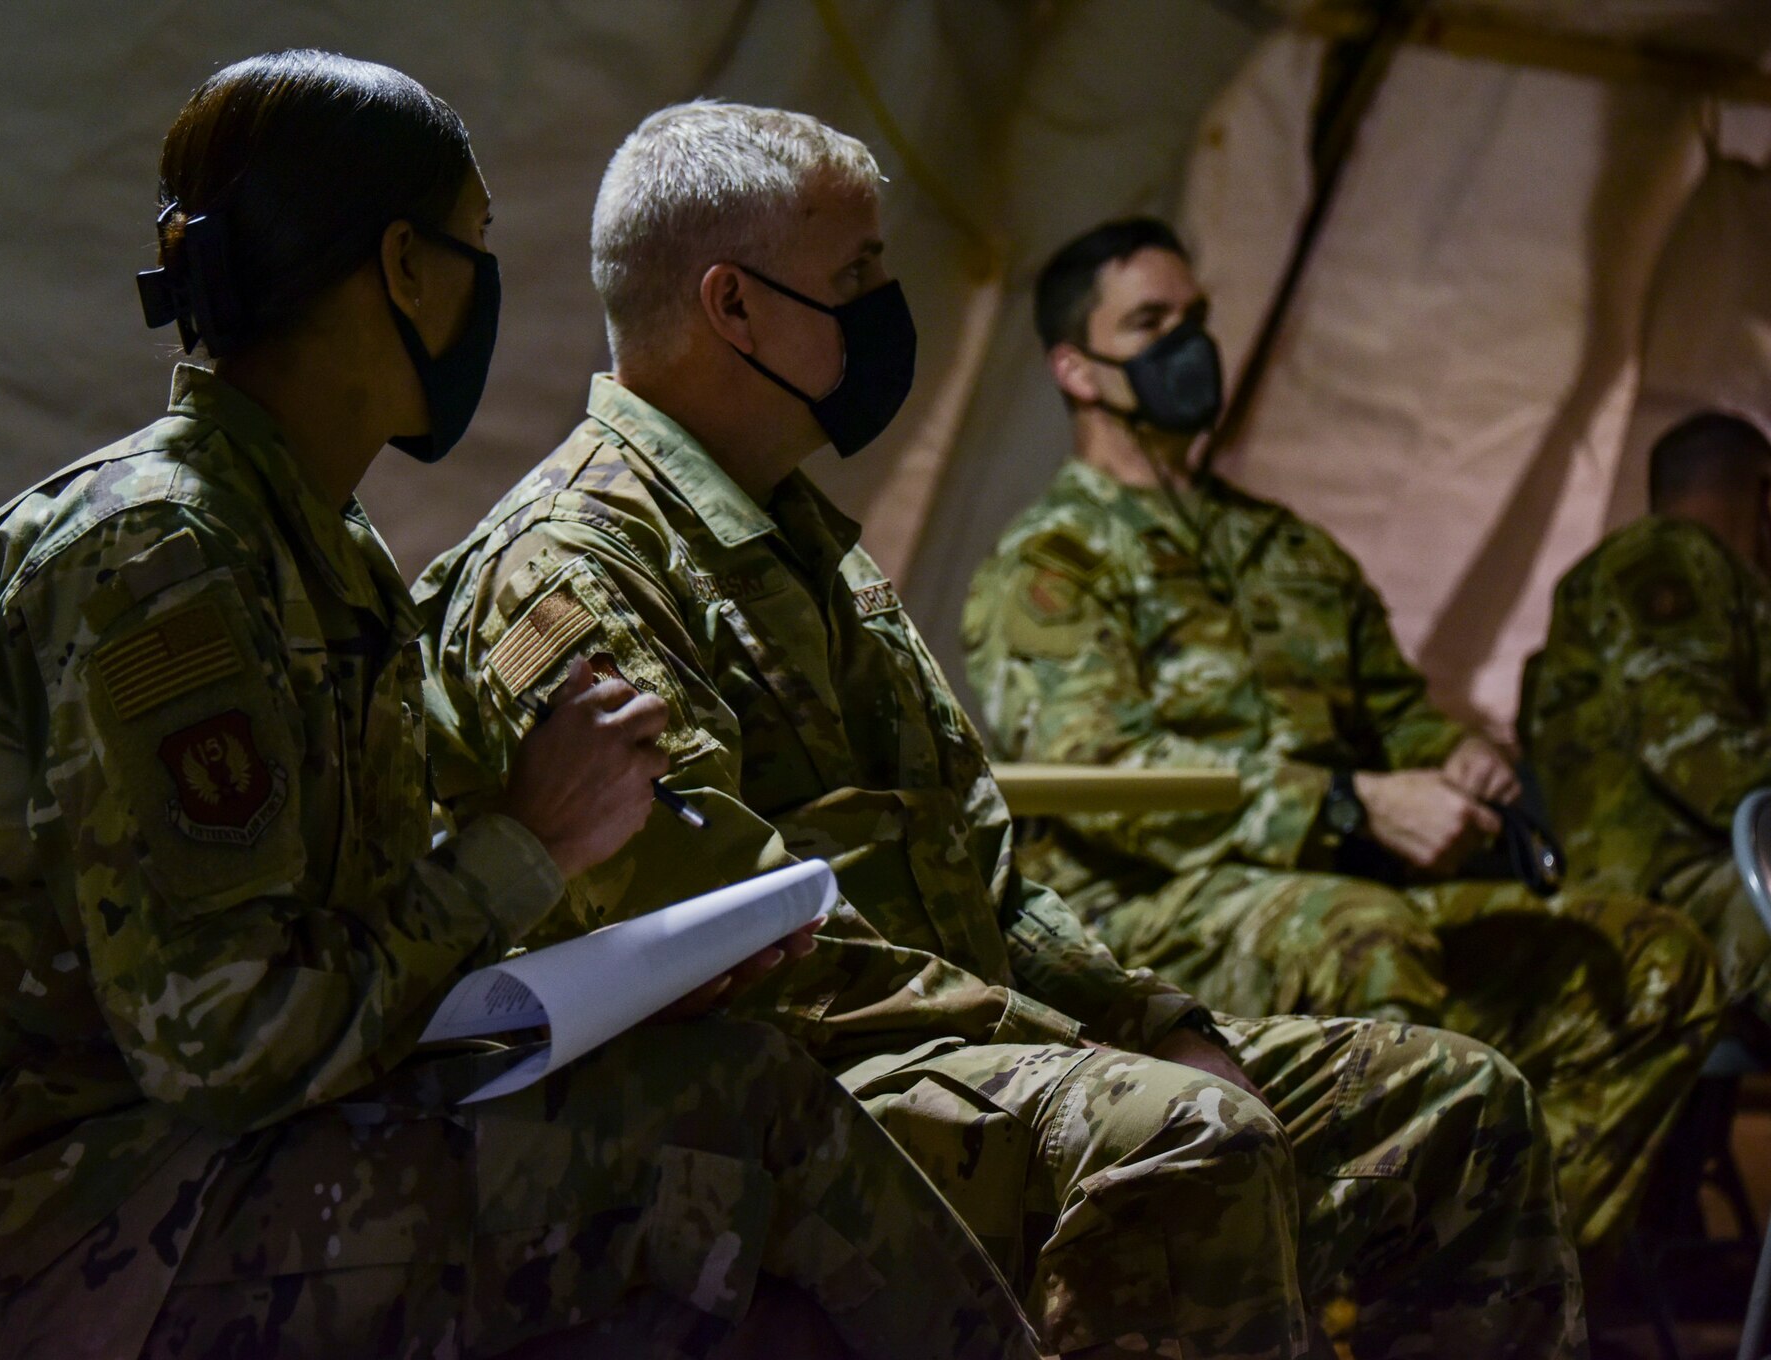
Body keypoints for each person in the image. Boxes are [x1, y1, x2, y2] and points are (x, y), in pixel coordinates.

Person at [0, 53, 1045, 1360]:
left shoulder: (312, 546)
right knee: (736, 1134)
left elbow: (349, 956)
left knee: (727, 1120)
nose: (488, 288)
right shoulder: (161, 561)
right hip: (44, 1225)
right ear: (404, 271)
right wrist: (528, 843)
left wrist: (634, 970)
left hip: (207, 1171)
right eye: (475, 245)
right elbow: (233, 1046)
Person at [420, 100, 1587, 1359]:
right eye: (854, 275)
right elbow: (744, 951)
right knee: (1190, 1137)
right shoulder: (575, 571)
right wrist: (1100, 1058)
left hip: (975, 1049)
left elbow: (984, 869)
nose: (884, 307)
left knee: (1460, 1104)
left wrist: (1153, 1019)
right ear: (732, 307)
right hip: (799, 1093)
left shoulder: (805, 546)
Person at [960, 216, 1722, 1255]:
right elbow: (1097, 779)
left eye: (1195, 317)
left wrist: (1452, 758)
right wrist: (1345, 802)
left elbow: (1397, 714)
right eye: (1149, 322)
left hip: (1349, 895)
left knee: (1651, 959)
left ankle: (1497, 1271)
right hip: (1155, 913)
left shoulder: (1287, 550)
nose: (1188, 344)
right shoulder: (1050, 561)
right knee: (1368, 945)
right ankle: (1341, 1292)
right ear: (1075, 368)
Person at [1524, 410, 1771, 1028]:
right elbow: (1698, 750)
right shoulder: (1667, 555)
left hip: (1684, 879)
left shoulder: (1718, 583)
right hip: (1668, 885)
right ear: (1765, 491)